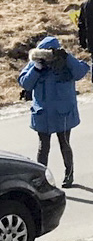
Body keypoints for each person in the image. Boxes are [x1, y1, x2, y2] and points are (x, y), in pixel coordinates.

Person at [18, 36, 88, 188]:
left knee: (64, 144)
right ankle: (41, 178)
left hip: (62, 113)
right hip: (43, 113)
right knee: (43, 147)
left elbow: (81, 71)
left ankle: (69, 175)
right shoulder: (35, 65)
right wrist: (36, 68)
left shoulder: (66, 63)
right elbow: (25, 83)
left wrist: (67, 58)